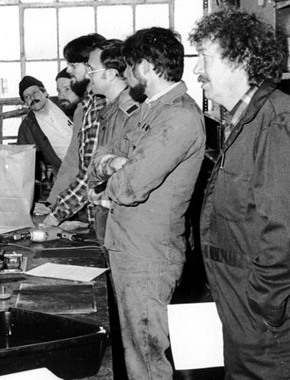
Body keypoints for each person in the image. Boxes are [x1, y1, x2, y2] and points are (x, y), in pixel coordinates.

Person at [190, 8, 290, 379]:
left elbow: (284, 235)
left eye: (205, 58)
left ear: (241, 59)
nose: (197, 70)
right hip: (239, 311)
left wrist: (262, 307)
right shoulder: (244, 119)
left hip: (264, 326)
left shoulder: (277, 122)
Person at [101, 28, 205, 379]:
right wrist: (115, 165)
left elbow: (130, 185)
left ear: (146, 66)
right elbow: (112, 160)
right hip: (131, 248)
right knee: (137, 355)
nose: (127, 76)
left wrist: (115, 169)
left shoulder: (179, 117)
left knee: (146, 361)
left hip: (148, 258)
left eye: (130, 67)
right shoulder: (154, 109)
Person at [42, 33, 106, 226]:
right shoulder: (86, 105)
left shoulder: (99, 106)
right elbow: (73, 161)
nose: (68, 71)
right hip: (91, 213)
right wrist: (52, 203)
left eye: (73, 65)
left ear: (90, 66)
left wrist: (56, 213)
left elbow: (88, 173)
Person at [86, 39, 140, 248]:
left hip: (121, 224)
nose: (88, 75)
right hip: (109, 218)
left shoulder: (128, 113)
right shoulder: (111, 111)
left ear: (109, 73)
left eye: (91, 69)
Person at [16, 75, 73, 180]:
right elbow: (23, 157)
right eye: (27, 97)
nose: (32, 98)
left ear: (45, 92)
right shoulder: (27, 126)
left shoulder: (64, 102)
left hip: (92, 156)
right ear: (25, 103)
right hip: (67, 173)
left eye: (35, 92)